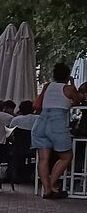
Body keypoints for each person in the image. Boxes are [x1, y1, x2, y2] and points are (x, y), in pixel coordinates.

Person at [33, 61, 82, 199]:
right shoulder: (69, 88)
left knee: (43, 158)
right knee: (66, 156)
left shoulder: (47, 86)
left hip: (41, 122)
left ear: (54, 75)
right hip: (57, 123)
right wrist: (72, 83)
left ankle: (47, 190)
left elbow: (37, 104)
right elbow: (77, 101)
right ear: (67, 75)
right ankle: (50, 186)